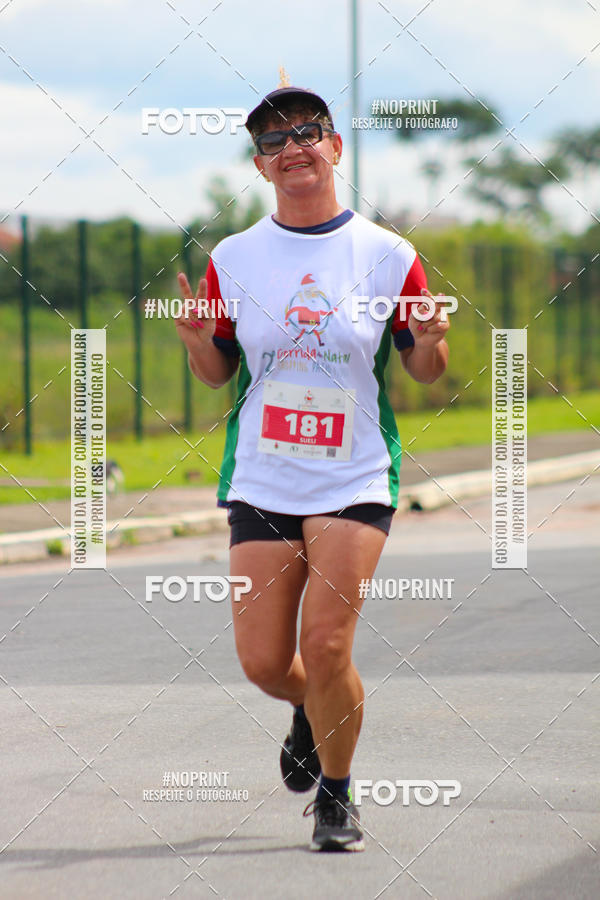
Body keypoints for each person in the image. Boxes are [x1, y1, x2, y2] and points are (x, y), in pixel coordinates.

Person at [174, 81, 449, 852]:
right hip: (262, 475)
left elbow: (425, 369)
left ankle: (337, 793)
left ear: (335, 147)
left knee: (327, 645)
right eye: (272, 140)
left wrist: (428, 341)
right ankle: (307, 708)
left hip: (353, 474)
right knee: (267, 663)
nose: (291, 146)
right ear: (261, 167)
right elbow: (219, 373)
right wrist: (200, 345)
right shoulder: (234, 257)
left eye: (307, 132)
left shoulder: (389, 255)